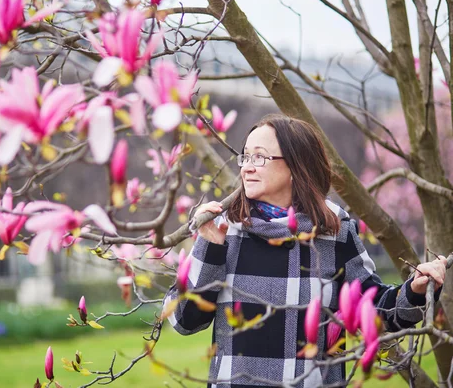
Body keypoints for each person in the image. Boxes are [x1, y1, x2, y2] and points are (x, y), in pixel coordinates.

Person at [163, 114, 446, 387]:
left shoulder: (333, 231)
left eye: (259, 157)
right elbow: (184, 321)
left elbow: (375, 310)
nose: (246, 167)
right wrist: (210, 248)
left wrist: (415, 291)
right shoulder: (225, 229)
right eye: (245, 156)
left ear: (296, 166)